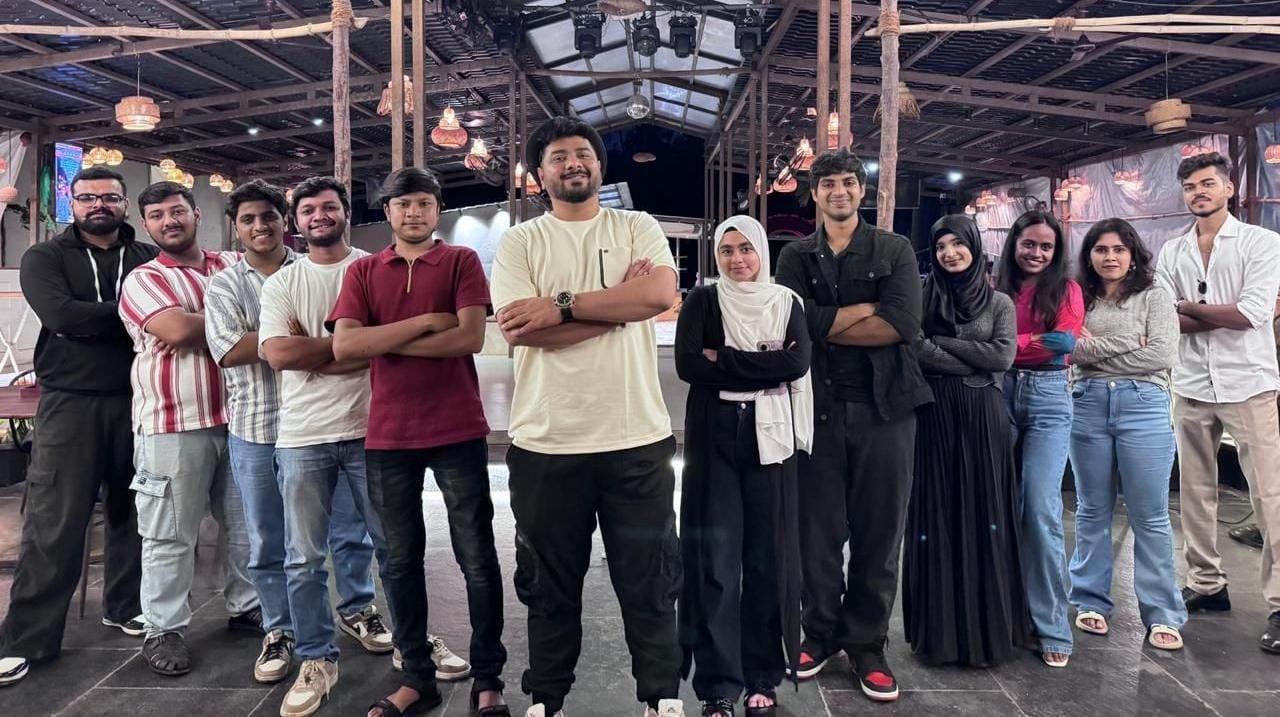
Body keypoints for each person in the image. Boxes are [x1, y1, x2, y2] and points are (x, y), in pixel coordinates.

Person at [490, 116, 685, 717]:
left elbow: (659, 296)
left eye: (583, 153)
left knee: (651, 582)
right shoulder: (521, 241)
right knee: (548, 586)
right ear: (538, 173)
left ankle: (661, 698)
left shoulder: (636, 226)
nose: (573, 163)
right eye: (558, 156)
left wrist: (562, 306)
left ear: (599, 166)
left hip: (637, 439)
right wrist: (619, 307)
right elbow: (521, 331)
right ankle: (547, 700)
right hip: (546, 443)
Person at [205, 180, 400, 685]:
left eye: (268, 216)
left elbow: (379, 341)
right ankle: (280, 629)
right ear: (235, 227)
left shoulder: (329, 264)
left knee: (350, 532)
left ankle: (357, 609)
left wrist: (301, 342)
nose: (260, 226)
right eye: (248, 220)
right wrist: (335, 343)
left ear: (282, 221)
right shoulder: (225, 284)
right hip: (257, 425)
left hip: (335, 421)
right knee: (270, 540)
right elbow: (233, 350)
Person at [329, 167, 509, 717]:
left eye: (424, 204)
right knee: (400, 561)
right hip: (389, 434)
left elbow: (469, 337)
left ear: (437, 210)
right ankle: (415, 677)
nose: (414, 213)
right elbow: (345, 347)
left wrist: (382, 341)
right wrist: (426, 321)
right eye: (403, 204)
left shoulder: (460, 261)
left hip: (457, 428)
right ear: (387, 212)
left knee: (477, 557)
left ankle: (488, 678)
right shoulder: (364, 271)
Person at [774, 148, 932, 702]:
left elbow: (902, 324)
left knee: (879, 531)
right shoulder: (795, 255)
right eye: (827, 184)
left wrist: (822, 323)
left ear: (862, 191)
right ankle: (819, 631)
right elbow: (790, 324)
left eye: (847, 182)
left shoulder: (894, 249)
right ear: (814, 194)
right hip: (816, 409)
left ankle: (867, 643)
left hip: (886, 410)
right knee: (816, 532)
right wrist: (865, 311)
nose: (838, 192)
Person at [0, 167, 158, 688]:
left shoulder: (147, 256)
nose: (98, 205)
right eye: (88, 197)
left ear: (124, 204)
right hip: (71, 403)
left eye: (109, 197)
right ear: (73, 202)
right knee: (55, 522)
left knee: (135, 513)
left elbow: (172, 312)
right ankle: (26, 638)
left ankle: (125, 606)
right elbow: (62, 316)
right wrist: (138, 315)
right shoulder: (46, 256)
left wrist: (101, 316)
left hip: (140, 399)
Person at [258, 176, 393, 717]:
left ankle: (411, 644)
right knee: (303, 558)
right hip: (302, 436)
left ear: (346, 213)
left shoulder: (376, 270)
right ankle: (316, 657)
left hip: (372, 429)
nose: (319, 215)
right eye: (309, 209)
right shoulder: (283, 283)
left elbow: (390, 348)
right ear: (296, 221)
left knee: (392, 545)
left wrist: (315, 349)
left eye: (329, 206)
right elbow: (278, 355)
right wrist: (350, 345)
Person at [116, 181, 259, 677]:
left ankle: (247, 607)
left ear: (197, 214)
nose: (169, 221)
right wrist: (231, 322)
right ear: (146, 225)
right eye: (157, 216)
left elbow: (275, 312)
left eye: (177, 211)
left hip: (242, 419)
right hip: (172, 425)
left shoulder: (232, 264)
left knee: (245, 527)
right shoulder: (143, 279)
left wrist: (204, 323)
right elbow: (176, 330)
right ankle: (164, 628)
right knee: (169, 534)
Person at [674, 216, 811, 717]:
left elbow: (797, 364)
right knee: (715, 562)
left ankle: (761, 675)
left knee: (766, 559)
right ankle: (718, 684)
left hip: (770, 439)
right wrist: (762, 365)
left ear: (761, 253)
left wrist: (724, 359)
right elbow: (689, 365)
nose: (737, 260)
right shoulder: (702, 301)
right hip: (715, 437)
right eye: (727, 250)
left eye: (746, 249)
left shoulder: (786, 302)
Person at [1154, 151, 1280, 654]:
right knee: (1194, 490)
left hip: (1248, 383)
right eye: (1190, 186)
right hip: (1190, 383)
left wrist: (1189, 307)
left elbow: (1252, 314)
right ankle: (1206, 583)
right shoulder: (1172, 250)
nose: (1198, 193)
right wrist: (1204, 312)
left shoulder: (1261, 243)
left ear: (1228, 188)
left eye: (1207, 183)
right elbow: (1164, 319)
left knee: (1269, 495)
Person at [903, 215, 1030, 667]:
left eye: (958, 244)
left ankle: (985, 634)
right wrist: (970, 361)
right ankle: (940, 637)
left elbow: (1002, 356)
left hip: (982, 415)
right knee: (937, 513)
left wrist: (945, 342)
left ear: (975, 248)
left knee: (984, 512)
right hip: (934, 414)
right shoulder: (921, 296)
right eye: (941, 246)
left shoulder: (999, 302)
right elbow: (913, 347)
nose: (949, 253)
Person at [1067, 218, 1186, 651]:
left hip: (1144, 405)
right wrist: (1131, 341)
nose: (1110, 257)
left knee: (1149, 513)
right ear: (1089, 256)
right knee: (1091, 508)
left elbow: (1162, 353)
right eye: (1101, 249)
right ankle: (1090, 600)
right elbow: (1070, 350)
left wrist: (1096, 349)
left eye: (1119, 249)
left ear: (1133, 255)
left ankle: (1162, 612)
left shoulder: (1155, 295)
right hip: (1088, 403)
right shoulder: (1077, 297)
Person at [996, 210, 1084, 668]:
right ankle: (1003, 615)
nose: (1036, 252)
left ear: (1056, 251)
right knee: (997, 506)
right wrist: (1031, 340)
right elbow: (993, 343)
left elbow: (1064, 342)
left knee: (1040, 507)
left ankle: (1052, 626)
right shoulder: (997, 289)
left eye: (1046, 246)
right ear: (1014, 244)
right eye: (1029, 243)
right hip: (999, 391)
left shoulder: (1067, 290)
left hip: (1049, 397)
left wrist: (1011, 342)